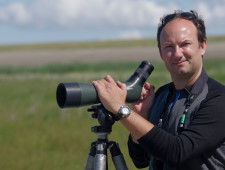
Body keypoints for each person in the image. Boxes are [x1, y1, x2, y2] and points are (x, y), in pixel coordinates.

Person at [92, 10, 225, 170]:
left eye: (185, 44)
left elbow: (178, 152)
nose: (177, 53)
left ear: (202, 46)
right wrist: (142, 116)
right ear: (161, 53)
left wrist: (122, 110)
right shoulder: (162, 95)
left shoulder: (218, 98)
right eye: (169, 46)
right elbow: (141, 160)